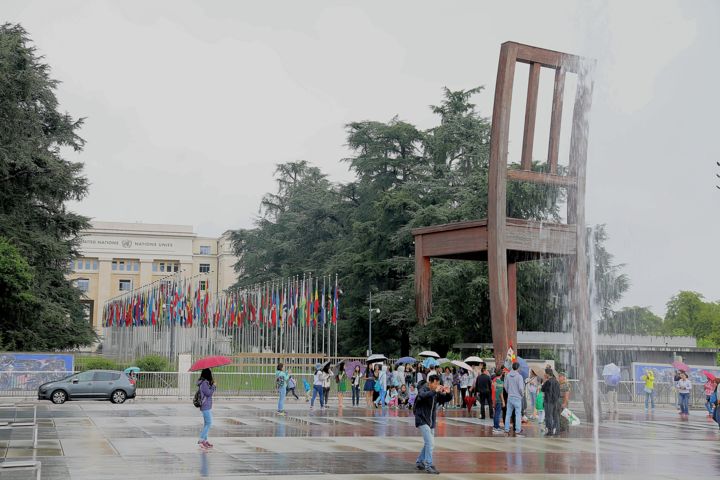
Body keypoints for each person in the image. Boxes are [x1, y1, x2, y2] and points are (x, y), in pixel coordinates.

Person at [414, 374, 453, 475]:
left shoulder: (436, 393)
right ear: (430, 383)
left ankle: (419, 461)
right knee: (430, 443)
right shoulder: (423, 389)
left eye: (438, 383)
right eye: (435, 383)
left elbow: (445, 399)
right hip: (422, 419)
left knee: (428, 443)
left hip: (430, 421)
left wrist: (448, 393)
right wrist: (434, 391)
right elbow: (422, 396)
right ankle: (428, 465)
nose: (437, 385)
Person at [504, 362, 525, 436]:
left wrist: (509, 392)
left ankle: (506, 428)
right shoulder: (519, 377)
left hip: (510, 397)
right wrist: (522, 395)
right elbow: (520, 388)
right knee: (518, 414)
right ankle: (518, 430)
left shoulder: (508, 375)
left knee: (508, 414)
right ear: (518, 368)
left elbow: (505, 386)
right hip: (517, 397)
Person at [197, 368, 216, 449]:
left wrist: (212, 385)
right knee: (209, 423)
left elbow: (209, 392)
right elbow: (208, 393)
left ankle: (205, 440)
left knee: (206, 423)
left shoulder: (205, 382)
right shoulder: (204, 383)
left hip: (206, 405)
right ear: (208, 374)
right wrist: (214, 386)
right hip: (205, 405)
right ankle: (201, 440)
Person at [541, 368, 560, 436]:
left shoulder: (548, 382)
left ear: (547, 374)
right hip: (555, 401)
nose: (544, 374)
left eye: (545, 373)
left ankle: (550, 431)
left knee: (548, 416)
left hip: (548, 401)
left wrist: (544, 380)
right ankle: (557, 430)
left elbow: (542, 389)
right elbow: (558, 393)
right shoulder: (556, 381)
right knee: (555, 416)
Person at [492, 368, 505, 434]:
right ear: (501, 374)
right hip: (498, 400)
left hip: (493, 399)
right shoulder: (500, 382)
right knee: (498, 414)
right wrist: (503, 401)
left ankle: (495, 426)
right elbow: (501, 393)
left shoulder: (493, 380)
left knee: (495, 414)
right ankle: (496, 427)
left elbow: (493, 390)